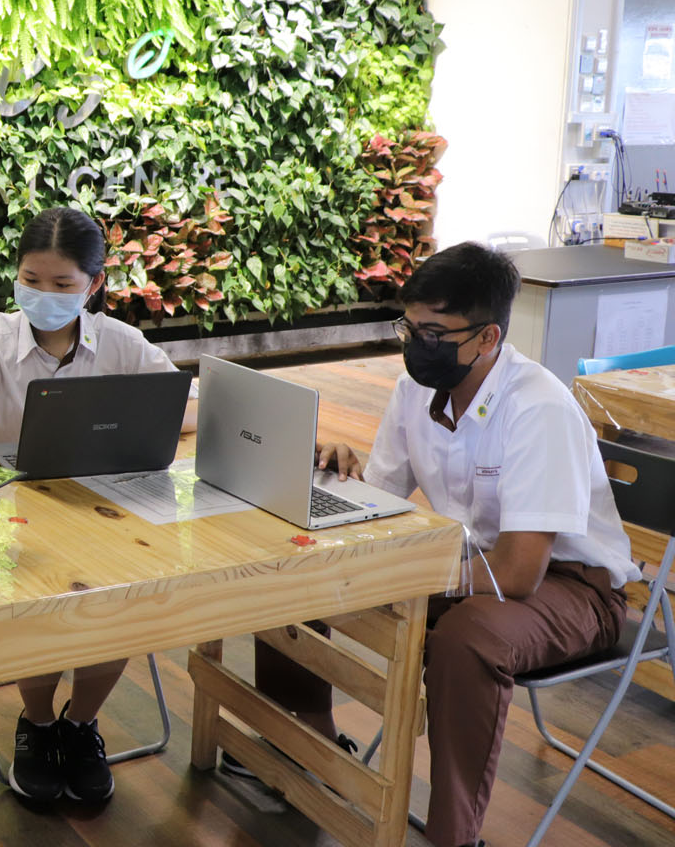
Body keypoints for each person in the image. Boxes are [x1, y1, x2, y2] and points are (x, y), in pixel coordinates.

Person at [247, 242, 639, 847]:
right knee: (295, 569)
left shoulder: (537, 409)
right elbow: (381, 498)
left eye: (434, 332)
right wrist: (341, 472)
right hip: (466, 565)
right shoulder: (416, 389)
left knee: (467, 638)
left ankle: (456, 836)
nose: (414, 343)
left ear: (488, 338)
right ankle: (312, 742)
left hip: (571, 587)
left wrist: (410, 575)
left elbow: (516, 575)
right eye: (408, 325)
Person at [0, 206, 199, 804]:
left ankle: (81, 725)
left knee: (126, 599)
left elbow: (184, 405)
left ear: (94, 285)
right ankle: (38, 723)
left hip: (112, 514)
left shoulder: (123, 342)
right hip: (22, 519)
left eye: (62, 285)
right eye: (31, 280)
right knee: (39, 601)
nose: (42, 294)